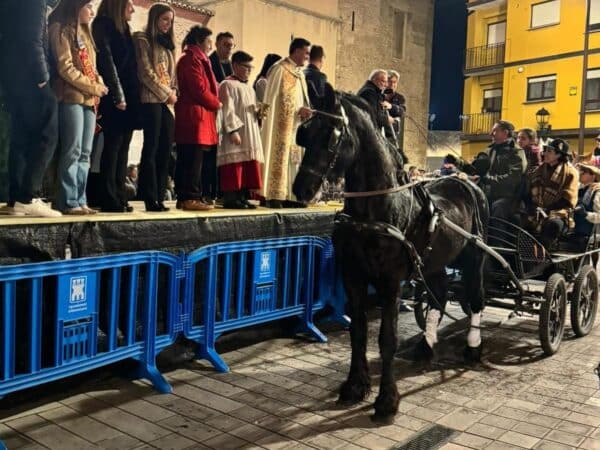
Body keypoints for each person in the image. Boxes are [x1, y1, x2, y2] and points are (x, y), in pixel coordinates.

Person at [0, 1, 62, 217]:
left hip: (11, 75)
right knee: (48, 130)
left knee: (22, 136)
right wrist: (42, 76)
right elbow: (31, 38)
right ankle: (28, 196)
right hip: (29, 74)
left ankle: (16, 198)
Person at [48, 0, 107, 215]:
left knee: (85, 153)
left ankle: (80, 199)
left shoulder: (86, 34)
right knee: (71, 150)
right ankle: (67, 200)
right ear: (76, 6)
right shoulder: (59, 29)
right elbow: (65, 67)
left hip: (90, 99)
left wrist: (99, 82)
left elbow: (92, 67)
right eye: (89, 6)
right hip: (70, 96)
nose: (92, 11)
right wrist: (93, 85)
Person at [93, 0, 140, 213]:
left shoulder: (125, 29)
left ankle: (119, 194)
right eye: (129, 4)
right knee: (112, 148)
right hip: (115, 96)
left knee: (123, 148)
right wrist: (117, 94)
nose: (132, 9)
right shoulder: (103, 25)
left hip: (128, 96)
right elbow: (106, 61)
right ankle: (108, 196)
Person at [133, 3, 176, 212]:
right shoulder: (142, 38)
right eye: (164, 19)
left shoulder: (167, 44)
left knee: (166, 148)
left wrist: (173, 91)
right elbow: (145, 72)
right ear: (154, 19)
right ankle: (149, 197)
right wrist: (167, 93)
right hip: (151, 99)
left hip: (167, 103)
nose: (168, 24)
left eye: (170, 20)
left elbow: (171, 75)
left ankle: (160, 195)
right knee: (151, 147)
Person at [260, 38, 312, 208]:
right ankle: (274, 194)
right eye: (306, 52)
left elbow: (300, 100)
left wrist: (304, 110)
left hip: (296, 126)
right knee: (280, 157)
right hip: (280, 126)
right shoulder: (280, 70)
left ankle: (292, 195)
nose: (308, 56)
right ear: (296, 51)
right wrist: (296, 111)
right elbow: (271, 100)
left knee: (295, 160)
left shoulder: (299, 74)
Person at [174, 26, 221, 211]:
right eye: (209, 41)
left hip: (200, 115)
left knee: (195, 157)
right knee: (191, 158)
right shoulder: (191, 60)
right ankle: (188, 197)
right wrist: (216, 103)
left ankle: (192, 196)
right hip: (194, 115)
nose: (211, 45)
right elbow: (198, 89)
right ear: (200, 41)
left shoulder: (200, 60)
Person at [218, 51, 264, 209]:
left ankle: (243, 197)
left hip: (249, 132)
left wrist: (259, 113)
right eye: (247, 67)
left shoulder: (249, 88)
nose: (250, 71)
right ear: (236, 65)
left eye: (251, 68)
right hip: (237, 134)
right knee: (234, 165)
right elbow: (227, 110)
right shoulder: (226, 84)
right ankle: (231, 198)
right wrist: (232, 130)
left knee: (247, 166)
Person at [527, 138, 579, 249]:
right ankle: (523, 257)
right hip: (537, 210)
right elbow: (530, 191)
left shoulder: (571, 173)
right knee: (518, 220)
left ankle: (543, 258)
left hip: (559, 213)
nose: (544, 153)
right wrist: (533, 208)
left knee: (553, 225)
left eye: (549, 151)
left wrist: (546, 210)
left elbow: (567, 200)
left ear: (559, 155)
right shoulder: (538, 170)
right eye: (545, 150)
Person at [472, 120, 525, 222]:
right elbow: (477, 167)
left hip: (508, 197)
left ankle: (498, 238)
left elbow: (513, 178)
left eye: (495, 131)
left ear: (505, 133)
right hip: (487, 194)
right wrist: (458, 165)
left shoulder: (516, 152)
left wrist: (488, 179)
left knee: (497, 210)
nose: (491, 134)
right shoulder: (490, 150)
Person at [357, 69, 393, 137]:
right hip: (366, 134)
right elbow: (371, 115)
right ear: (374, 80)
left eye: (386, 82)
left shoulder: (374, 92)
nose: (386, 85)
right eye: (383, 81)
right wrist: (386, 119)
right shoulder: (369, 93)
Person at [573, 163, 600, 245]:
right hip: (575, 232)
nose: (580, 173)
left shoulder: (597, 192)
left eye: (584, 172)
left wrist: (585, 214)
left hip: (588, 236)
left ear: (593, 176)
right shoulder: (580, 190)